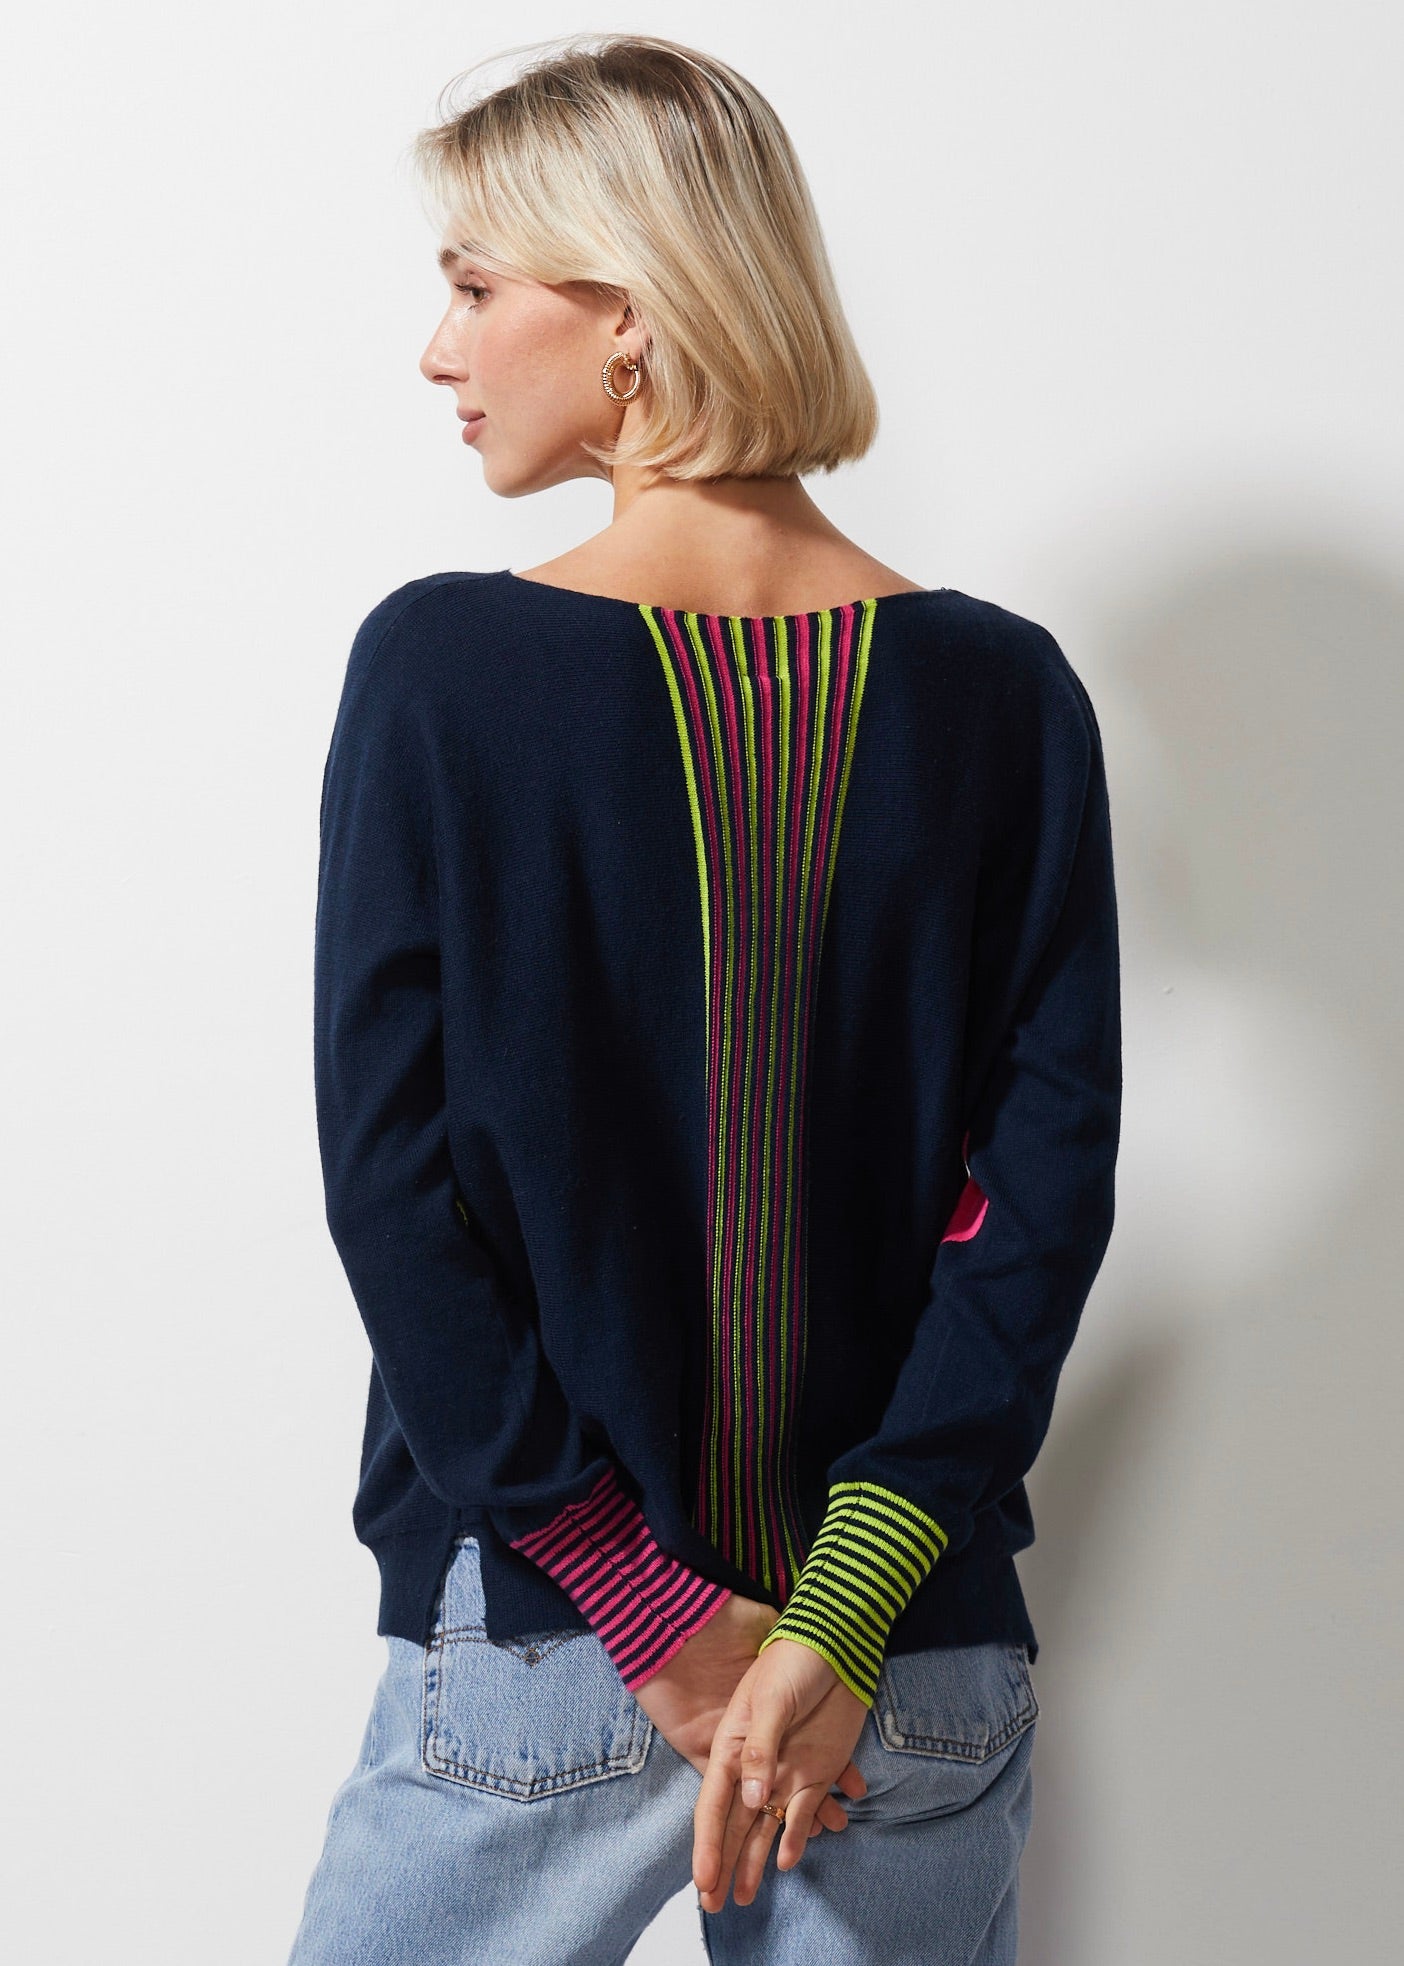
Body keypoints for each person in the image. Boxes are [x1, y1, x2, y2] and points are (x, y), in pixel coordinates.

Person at [285, 30, 1121, 1966]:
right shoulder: (1006, 698)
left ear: (632, 313)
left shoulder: (441, 673)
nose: (439, 349)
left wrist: (656, 1612)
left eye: (475, 286)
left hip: (560, 1641)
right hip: (899, 1660)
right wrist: (839, 1608)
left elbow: (397, 1198)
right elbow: (1037, 1206)